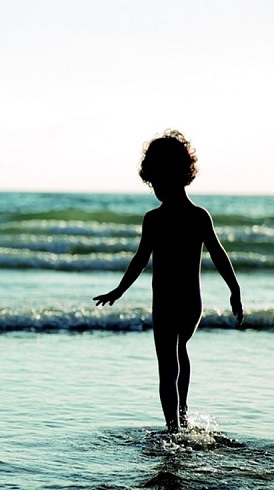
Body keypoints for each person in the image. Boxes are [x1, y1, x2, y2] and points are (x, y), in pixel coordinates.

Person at [93, 130, 243, 433]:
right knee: (179, 353)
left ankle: (172, 428)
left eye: (157, 181)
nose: (155, 188)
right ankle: (183, 417)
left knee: (167, 365)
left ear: (175, 175)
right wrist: (234, 290)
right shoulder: (199, 216)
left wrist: (120, 290)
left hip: (166, 304)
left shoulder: (157, 219)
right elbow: (218, 256)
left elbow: (142, 259)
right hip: (191, 306)